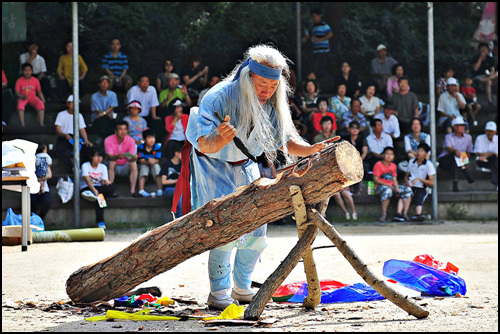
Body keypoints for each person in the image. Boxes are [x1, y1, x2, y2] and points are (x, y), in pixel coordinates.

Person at [183, 44, 326, 310]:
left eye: (273, 86)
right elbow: (203, 143)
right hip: (212, 166)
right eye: (262, 84)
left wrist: (310, 149)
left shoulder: (272, 103)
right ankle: (219, 292)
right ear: (249, 77)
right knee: (223, 228)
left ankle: (242, 287)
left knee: (257, 229)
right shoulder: (218, 96)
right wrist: (219, 138)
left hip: (246, 164)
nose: (267, 91)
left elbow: (285, 141)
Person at [80, 147, 117, 230]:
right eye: (96, 156)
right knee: (101, 196)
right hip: (87, 187)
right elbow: (87, 180)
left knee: (111, 187)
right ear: (91, 157)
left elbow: (104, 180)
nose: (98, 158)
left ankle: (100, 221)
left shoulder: (103, 167)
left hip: (99, 189)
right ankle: (100, 222)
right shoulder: (85, 166)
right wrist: (94, 190)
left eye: (100, 156)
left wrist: (106, 182)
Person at [373, 146, 412, 222]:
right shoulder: (378, 164)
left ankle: (403, 214)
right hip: (380, 187)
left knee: (407, 190)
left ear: (393, 156)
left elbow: (394, 179)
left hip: (392, 186)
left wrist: (396, 187)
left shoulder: (393, 166)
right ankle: (383, 214)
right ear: (383, 155)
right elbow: (376, 180)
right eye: (387, 154)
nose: (389, 156)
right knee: (387, 191)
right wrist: (388, 185)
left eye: (391, 154)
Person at [54, 95, 93, 173]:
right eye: (72, 103)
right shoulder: (61, 114)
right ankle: (71, 168)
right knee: (60, 150)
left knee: (88, 149)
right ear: (68, 104)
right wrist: (65, 135)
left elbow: (82, 130)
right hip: (64, 137)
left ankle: (81, 169)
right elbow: (58, 129)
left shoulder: (79, 115)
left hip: (76, 137)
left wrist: (86, 140)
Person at [438, 117, 474, 192]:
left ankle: (455, 185)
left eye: (463, 125)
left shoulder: (468, 137)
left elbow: (469, 152)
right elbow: (448, 148)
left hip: (458, 162)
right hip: (446, 160)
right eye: (461, 126)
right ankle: (465, 171)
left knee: (455, 163)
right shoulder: (448, 137)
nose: (463, 127)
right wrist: (456, 151)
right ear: (455, 127)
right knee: (455, 154)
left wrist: (465, 161)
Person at [104, 120, 138, 197]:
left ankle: (132, 191)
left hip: (125, 165)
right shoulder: (108, 140)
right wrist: (117, 157)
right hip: (113, 165)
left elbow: (131, 157)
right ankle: (110, 189)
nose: (123, 131)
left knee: (134, 164)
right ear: (115, 131)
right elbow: (110, 156)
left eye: (125, 129)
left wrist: (134, 158)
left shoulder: (131, 140)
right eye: (120, 129)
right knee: (112, 162)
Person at [126, 74, 163, 144]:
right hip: (135, 116)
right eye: (142, 81)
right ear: (138, 83)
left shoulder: (152, 89)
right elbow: (131, 105)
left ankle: (156, 144)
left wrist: (154, 116)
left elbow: (153, 104)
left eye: (147, 81)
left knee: (157, 123)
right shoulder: (133, 90)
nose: (145, 84)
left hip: (147, 116)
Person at [404, 143, 435, 221]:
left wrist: (419, 179)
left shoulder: (429, 165)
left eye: (421, 151)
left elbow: (431, 182)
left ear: (426, 154)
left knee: (419, 196)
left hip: (421, 187)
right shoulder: (411, 162)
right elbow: (406, 176)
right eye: (418, 150)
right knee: (405, 193)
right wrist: (407, 182)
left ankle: (418, 214)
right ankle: (401, 214)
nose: (418, 153)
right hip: (410, 186)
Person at [303, 8, 334, 85]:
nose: (313, 18)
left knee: (319, 69)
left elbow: (330, 34)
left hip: (323, 51)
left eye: (315, 16)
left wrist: (320, 39)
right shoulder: (313, 27)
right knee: (315, 68)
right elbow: (313, 39)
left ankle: (330, 81)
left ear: (319, 16)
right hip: (315, 51)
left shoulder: (324, 25)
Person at [15, 63, 46, 127]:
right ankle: (22, 124)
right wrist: (22, 96)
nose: (27, 72)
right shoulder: (19, 80)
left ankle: (41, 124)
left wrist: (43, 100)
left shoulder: (36, 80)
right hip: (23, 97)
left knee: (40, 104)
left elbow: (39, 91)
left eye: (29, 70)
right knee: (20, 105)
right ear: (23, 71)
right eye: (25, 70)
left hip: (33, 97)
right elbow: (17, 92)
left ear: (32, 71)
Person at [341, 120, 368, 194]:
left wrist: (358, 161)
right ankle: (349, 188)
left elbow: (364, 152)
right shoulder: (345, 139)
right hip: (347, 161)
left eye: (357, 128)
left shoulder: (362, 138)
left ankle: (359, 190)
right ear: (349, 129)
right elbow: (342, 152)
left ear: (359, 130)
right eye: (352, 128)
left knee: (360, 168)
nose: (355, 129)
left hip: (360, 161)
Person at [90, 75, 118, 141]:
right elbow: (98, 111)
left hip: (109, 116)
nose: (104, 84)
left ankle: (103, 140)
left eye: (106, 83)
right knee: (103, 120)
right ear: (99, 84)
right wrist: (104, 114)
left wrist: (104, 113)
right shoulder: (94, 96)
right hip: (98, 117)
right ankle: (105, 140)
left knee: (110, 122)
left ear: (108, 85)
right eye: (103, 82)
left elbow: (112, 107)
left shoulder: (113, 94)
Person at [136, 129, 163, 198]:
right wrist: (148, 161)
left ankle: (160, 190)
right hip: (144, 163)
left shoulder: (158, 146)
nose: (152, 140)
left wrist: (153, 161)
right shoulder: (140, 147)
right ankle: (141, 190)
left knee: (157, 167)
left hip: (154, 163)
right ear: (144, 140)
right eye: (149, 138)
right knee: (143, 168)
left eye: (153, 138)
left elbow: (158, 160)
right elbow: (140, 160)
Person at [160, 140, 183, 217]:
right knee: (179, 193)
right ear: (176, 153)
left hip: (180, 189)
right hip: (168, 190)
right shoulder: (167, 164)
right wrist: (177, 181)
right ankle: (179, 217)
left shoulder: (183, 165)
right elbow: (163, 181)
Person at [474, 121, 498, 189]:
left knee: (494, 160)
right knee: (495, 161)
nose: (490, 133)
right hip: (483, 161)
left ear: (495, 131)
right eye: (488, 131)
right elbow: (479, 153)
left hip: (493, 161)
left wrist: (487, 155)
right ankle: (496, 182)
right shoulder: (480, 138)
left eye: (491, 131)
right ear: (485, 130)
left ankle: (495, 181)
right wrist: (492, 153)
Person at [31, 143, 52, 221]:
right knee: (32, 201)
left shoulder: (38, 159)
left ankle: (39, 220)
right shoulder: (36, 160)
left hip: (42, 185)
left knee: (47, 201)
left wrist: (39, 179)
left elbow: (49, 175)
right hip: (33, 187)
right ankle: (32, 220)